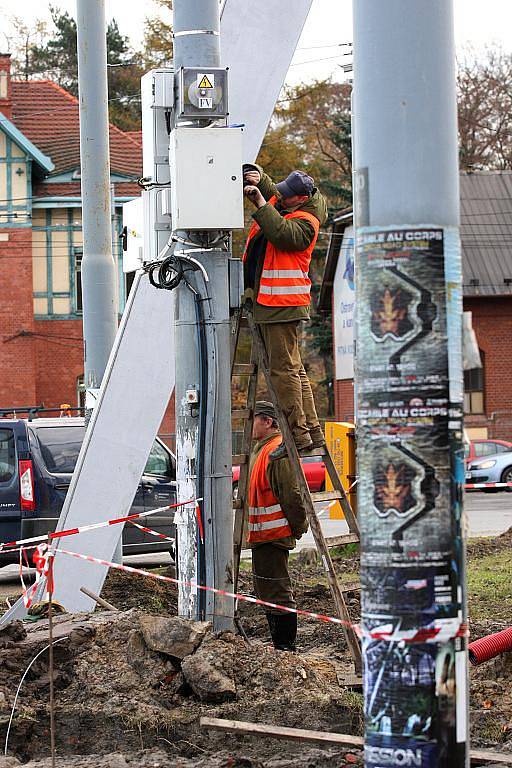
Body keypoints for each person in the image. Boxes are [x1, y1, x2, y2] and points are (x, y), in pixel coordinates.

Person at [242, 165, 328, 460]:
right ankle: (310, 432)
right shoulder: (294, 204)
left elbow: (281, 232)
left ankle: (296, 435)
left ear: (302, 198)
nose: (280, 196)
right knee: (294, 369)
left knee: (283, 372)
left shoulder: (306, 222)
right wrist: (260, 178)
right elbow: (275, 196)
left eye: (287, 195)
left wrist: (260, 203)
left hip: (279, 303)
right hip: (275, 302)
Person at [248, 400, 309, 651]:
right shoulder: (261, 450)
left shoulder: (275, 451)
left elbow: (291, 494)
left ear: (268, 421)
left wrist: (298, 526)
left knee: (277, 594)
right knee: (268, 592)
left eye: (254, 419)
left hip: (274, 534)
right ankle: (282, 647)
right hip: (264, 536)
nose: (248, 425)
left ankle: (285, 649)